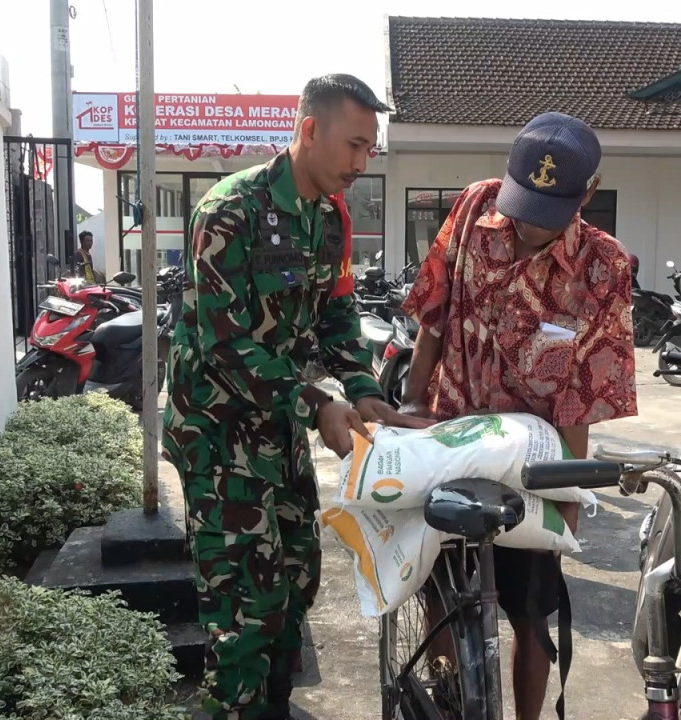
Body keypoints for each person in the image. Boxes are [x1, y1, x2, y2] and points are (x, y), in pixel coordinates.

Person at [162, 74, 434, 720]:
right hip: (217, 430)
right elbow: (225, 346)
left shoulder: (328, 218)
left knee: (297, 581)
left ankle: (272, 706)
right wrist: (317, 404)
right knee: (245, 608)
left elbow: (338, 316)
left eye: (371, 150)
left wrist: (364, 390)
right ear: (310, 131)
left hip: (276, 424)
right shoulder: (232, 210)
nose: (362, 163)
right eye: (354, 146)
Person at [399, 111, 639, 720]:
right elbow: (432, 312)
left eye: (548, 211)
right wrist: (410, 402)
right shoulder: (475, 208)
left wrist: (570, 493)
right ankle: (449, 690)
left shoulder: (604, 268)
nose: (530, 225)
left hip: (531, 458)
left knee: (533, 608)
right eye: (523, 204)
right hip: (451, 428)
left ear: (587, 193)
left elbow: (584, 393)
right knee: (437, 577)